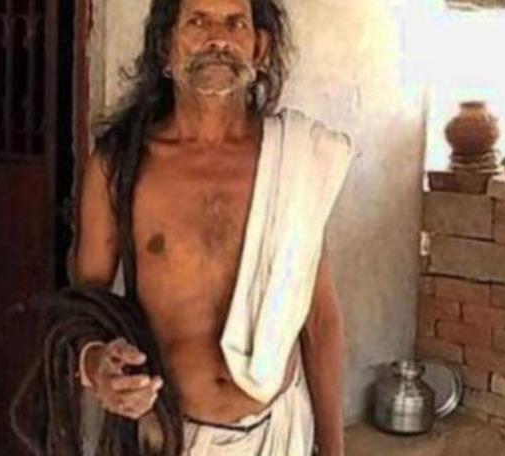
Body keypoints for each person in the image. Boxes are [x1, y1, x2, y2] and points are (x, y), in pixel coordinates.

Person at [72, 0, 352, 454]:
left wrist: (332, 449)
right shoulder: (119, 165)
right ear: (166, 47)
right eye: (198, 21)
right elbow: (83, 307)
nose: (218, 39)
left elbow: (319, 322)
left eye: (235, 23)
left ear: (259, 49)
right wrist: (97, 364)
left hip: (278, 433)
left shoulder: (292, 163)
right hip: (169, 437)